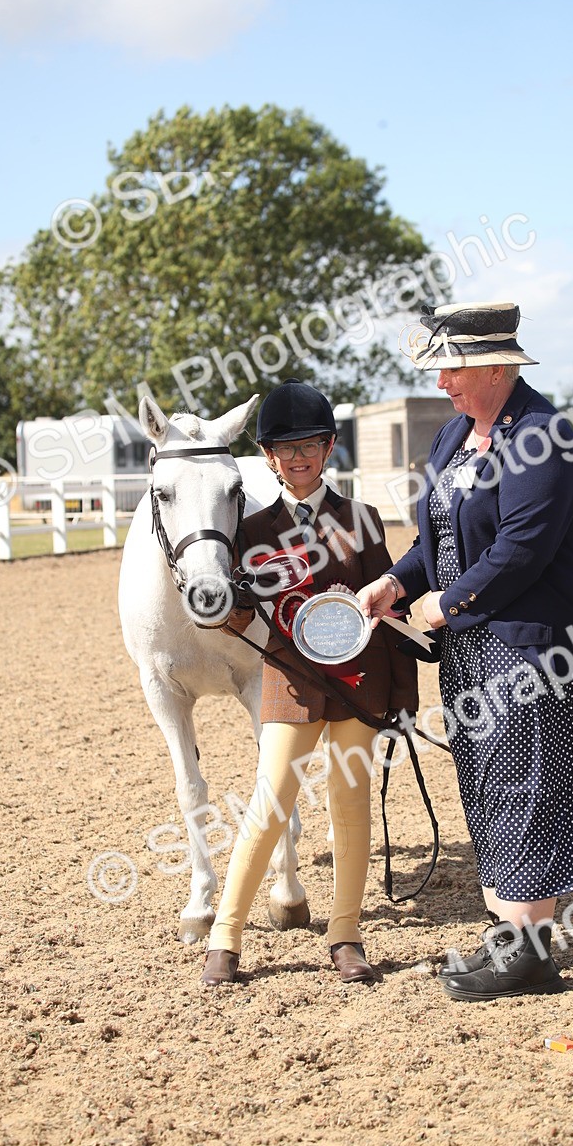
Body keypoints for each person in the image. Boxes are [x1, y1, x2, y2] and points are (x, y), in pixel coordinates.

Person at [357, 302, 573, 1002]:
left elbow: (520, 549)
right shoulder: (456, 435)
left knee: (526, 786)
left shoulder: (545, 436)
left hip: (539, 650)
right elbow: (439, 538)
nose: (443, 382)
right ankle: (513, 937)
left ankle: (529, 952)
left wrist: (444, 604)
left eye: (451, 368)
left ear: (493, 364)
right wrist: (396, 580)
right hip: (477, 646)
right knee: (489, 783)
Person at [202, 379, 418, 986]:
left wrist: (402, 699)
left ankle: (345, 934)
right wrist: (225, 597)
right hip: (290, 681)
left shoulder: (362, 520)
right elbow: (236, 620)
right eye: (284, 448)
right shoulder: (251, 532)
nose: (297, 458)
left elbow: (393, 617)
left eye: (309, 446)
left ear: (328, 450)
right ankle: (225, 936)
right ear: (268, 458)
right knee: (270, 802)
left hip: (358, 682)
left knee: (350, 808)